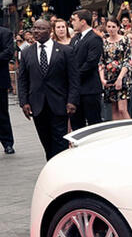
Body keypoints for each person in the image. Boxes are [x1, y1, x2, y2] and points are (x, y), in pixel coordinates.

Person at [16, 19, 79, 160]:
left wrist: (72, 100)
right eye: (34, 28)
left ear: (50, 31)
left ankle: (59, 170)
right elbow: (23, 79)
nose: (36, 31)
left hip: (59, 104)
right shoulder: (27, 53)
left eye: (41, 28)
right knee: (46, 142)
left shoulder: (65, 51)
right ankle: (50, 167)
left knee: (60, 142)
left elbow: (74, 78)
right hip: (37, 105)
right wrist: (24, 102)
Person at [68, 9, 104, 130]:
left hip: (90, 89)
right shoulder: (75, 39)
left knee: (94, 124)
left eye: (74, 20)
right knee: (77, 124)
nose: (72, 23)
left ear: (83, 21)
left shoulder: (94, 38)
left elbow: (91, 63)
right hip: (76, 91)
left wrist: (74, 76)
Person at [99, 18, 131, 120]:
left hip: (122, 77)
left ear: (118, 27)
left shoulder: (125, 40)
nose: (111, 29)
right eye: (109, 26)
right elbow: (101, 62)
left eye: (113, 27)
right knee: (114, 108)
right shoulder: (104, 42)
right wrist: (102, 79)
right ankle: (118, 133)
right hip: (109, 77)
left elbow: (127, 60)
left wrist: (120, 78)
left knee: (122, 109)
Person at [0, 24, 14, 153]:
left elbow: (8, 52)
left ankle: (7, 143)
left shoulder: (5, 33)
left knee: (2, 113)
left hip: (0, 80)